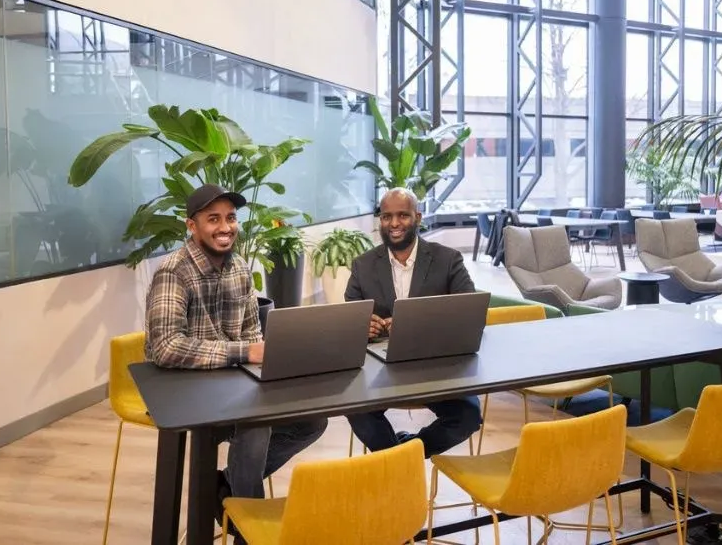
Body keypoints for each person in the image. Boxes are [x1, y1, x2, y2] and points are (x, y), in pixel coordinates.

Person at [144, 183, 327, 539]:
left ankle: (227, 488)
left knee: (312, 420)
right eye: (213, 219)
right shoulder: (174, 271)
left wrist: (268, 365)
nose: (225, 227)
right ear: (191, 226)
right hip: (183, 388)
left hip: (234, 382)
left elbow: (250, 333)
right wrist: (244, 353)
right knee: (255, 424)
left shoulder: (240, 268)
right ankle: (249, 528)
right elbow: (165, 347)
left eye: (230, 218)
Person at [344, 187, 482, 458]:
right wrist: (361, 327)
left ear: (417, 217)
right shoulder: (363, 265)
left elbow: (471, 313)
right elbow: (349, 317)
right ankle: (397, 461)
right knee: (354, 408)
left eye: (403, 215)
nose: (394, 223)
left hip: (435, 364)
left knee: (468, 415)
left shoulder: (448, 260)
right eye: (386, 217)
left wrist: (421, 325)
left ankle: (405, 455)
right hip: (380, 369)